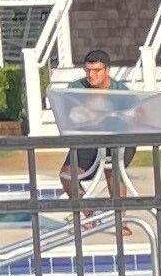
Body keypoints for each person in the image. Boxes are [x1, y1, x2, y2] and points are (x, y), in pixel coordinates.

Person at [58, 52, 135, 201]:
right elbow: (71, 116)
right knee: (67, 176)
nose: (91, 75)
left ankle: (122, 221)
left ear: (107, 70)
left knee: (113, 171)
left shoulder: (121, 92)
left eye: (96, 70)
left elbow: (130, 121)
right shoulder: (75, 88)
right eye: (88, 70)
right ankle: (90, 216)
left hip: (117, 140)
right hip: (88, 139)